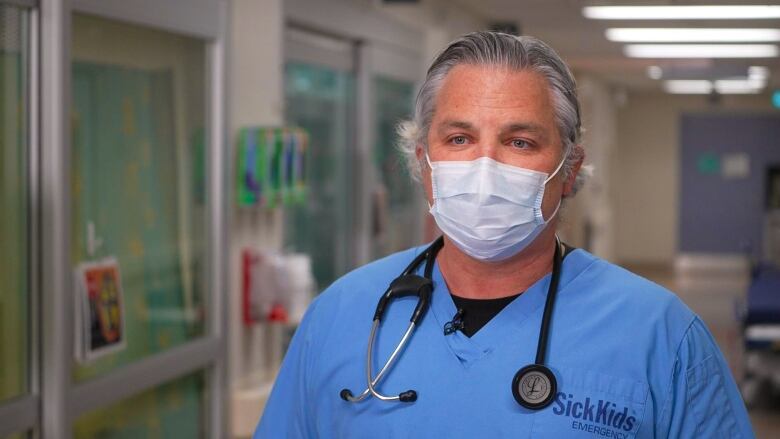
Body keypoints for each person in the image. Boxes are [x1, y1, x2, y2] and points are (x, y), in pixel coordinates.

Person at [255, 31, 754, 438]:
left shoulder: (660, 335)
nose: (484, 166)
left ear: (568, 168)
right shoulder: (341, 315)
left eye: (520, 141)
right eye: (459, 138)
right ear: (422, 162)